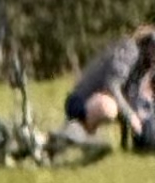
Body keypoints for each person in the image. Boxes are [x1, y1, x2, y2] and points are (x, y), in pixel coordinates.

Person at [64, 18, 155, 147]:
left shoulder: (144, 67)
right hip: (80, 101)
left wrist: (125, 141)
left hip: (98, 101)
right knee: (108, 107)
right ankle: (71, 132)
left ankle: (64, 141)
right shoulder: (130, 51)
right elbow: (112, 86)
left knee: (128, 107)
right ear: (149, 46)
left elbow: (130, 97)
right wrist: (131, 116)